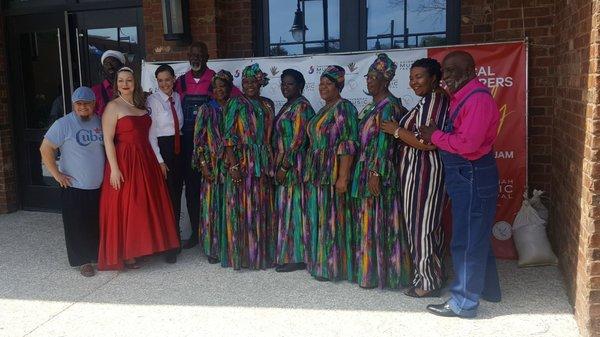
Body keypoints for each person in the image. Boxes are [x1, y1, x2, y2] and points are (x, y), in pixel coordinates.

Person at [419, 51, 501, 318]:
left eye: (455, 70)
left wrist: (435, 135)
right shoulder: (461, 96)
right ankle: (488, 290)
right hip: (468, 174)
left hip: (472, 173)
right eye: (445, 70)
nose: (448, 76)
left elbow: (468, 144)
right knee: (475, 235)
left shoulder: (476, 99)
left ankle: (463, 303)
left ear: (471, 70)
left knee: (466, 240)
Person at [98, 67, 180, 270]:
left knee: (143, 205)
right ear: (116, 84)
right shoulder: (112, 107)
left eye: (129, 80)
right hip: (125, 161)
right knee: (128, 205)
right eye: (121, 81)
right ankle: (126, 253)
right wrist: (114, 169)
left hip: (145, 159)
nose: (125, 84)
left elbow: (150, 134)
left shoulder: (141, 105)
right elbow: (107, 140)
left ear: (135, 83)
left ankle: (141, 247)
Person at [381, 58, 449, 297]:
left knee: (421, 226)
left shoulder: (435, 101)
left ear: (433, 78)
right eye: (411, 78)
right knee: (427, 224)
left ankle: (427, 283)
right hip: (416, 169)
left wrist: (396, 131)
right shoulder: (428, 100)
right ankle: (433, 273)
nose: (414, 82)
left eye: (419, 77)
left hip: (424, 171)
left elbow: (426, 142)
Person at [350, 53, 411, 289]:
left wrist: (376, 173)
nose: (369, 81)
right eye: (368, 76)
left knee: (382, 220)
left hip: (378, 171)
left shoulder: (389, 107)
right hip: (364, 168)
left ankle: (387, 273)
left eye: (374, 77)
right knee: (368, 220)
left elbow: (385, 144)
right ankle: (369, 270)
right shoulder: (371, 106)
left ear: (385, 81)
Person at [40, 86, 104, 277]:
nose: (83, 107)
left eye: (87, 103)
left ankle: (95, 256)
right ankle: (82, 261)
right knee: (76, 225)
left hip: (97, 185)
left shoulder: (100, 121)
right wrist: (56, 174)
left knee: (94, 223)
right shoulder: (63, 124)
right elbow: (45, 148)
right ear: (73, 105)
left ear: (94, 103)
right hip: (74, 186)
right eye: (79, 103)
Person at [304, 65, 358, 282]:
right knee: (322, 217)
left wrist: (343, 177)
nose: (323, 87)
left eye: (328, 84)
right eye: (321, 83)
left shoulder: (344, 108)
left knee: (333, 218)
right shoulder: (323, 109)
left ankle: (334, 266)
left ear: (339, 86)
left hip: (334, 171)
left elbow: (348, 144)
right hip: (318, 172)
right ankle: (320, 262)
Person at [223, 63, 275, 270]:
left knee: (261, 207)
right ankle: (243, 256)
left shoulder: (268, 104)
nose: (249, 85)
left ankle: (261, 255)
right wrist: (234, 165)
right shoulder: (235, 103)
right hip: (242, 162)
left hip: (263, 162)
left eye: (253, 81)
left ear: (260, 82)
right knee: (241, 208)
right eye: (245, 82)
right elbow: (228, 137)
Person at [272, 69, 315, 273]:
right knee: (286, 209)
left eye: (289, 84)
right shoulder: (289, 105)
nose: (285, 87)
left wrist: (284, 167)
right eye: (282, 83)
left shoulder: (302, 107)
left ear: (300, 86)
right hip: (285, 165)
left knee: (295, 210)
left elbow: (298, 140)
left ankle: (297, 256)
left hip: (294, 167)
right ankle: (286, 253)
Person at [191, 70, 234, 265]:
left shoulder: (236, 109)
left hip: (231, 164)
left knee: (229, 206)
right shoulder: (206, 110)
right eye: (215, 87)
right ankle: (213, 248)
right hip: (211, 165)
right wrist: (203, 165)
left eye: (222, 86)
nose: (219, 90)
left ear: (229, 88)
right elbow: (198, 141)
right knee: (212, 207)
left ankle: (230, 246)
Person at [173, 42, 213, 249]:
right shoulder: (179, 82)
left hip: (210, 145)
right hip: (187, 144)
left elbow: (233, 106)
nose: (196, 58)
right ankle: (196, 233)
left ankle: (213, 233)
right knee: (191, 191)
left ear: (207, 56)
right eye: (192, 55)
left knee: (212, 188)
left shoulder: (217, 79)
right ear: (188, 56)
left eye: (200, 55)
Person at [147, 64, 184, 263]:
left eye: (167, 79)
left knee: (176, 196)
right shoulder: (151, 101)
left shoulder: (177, 98)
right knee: (167, 199)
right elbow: (151, 135)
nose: (164, 84)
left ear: (174, 78)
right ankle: (168, 245)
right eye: (160, 80)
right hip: (163, 151)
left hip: (178, 150)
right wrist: (160, 161)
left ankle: (175, 238)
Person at [92, 50, 125, 116]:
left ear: (122, 66)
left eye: (113, 61)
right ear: (103, 69)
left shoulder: (131, 88)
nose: (110, 65)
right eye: (106, 63)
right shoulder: (95, 91)